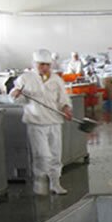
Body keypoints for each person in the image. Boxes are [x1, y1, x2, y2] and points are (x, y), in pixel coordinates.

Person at [10, 49, 73, 196]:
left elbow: (63, 98)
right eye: (41, 64)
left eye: (47, 65)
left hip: (54, 121)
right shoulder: (25, 78)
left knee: (55, 155)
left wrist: (66, 108)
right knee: (42, 155)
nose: (44, 67)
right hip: (36, 122)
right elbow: (15, 97)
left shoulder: (56, 79)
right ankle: (40, 179)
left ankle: (55, 183)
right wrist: (15, 95)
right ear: (34, 64)